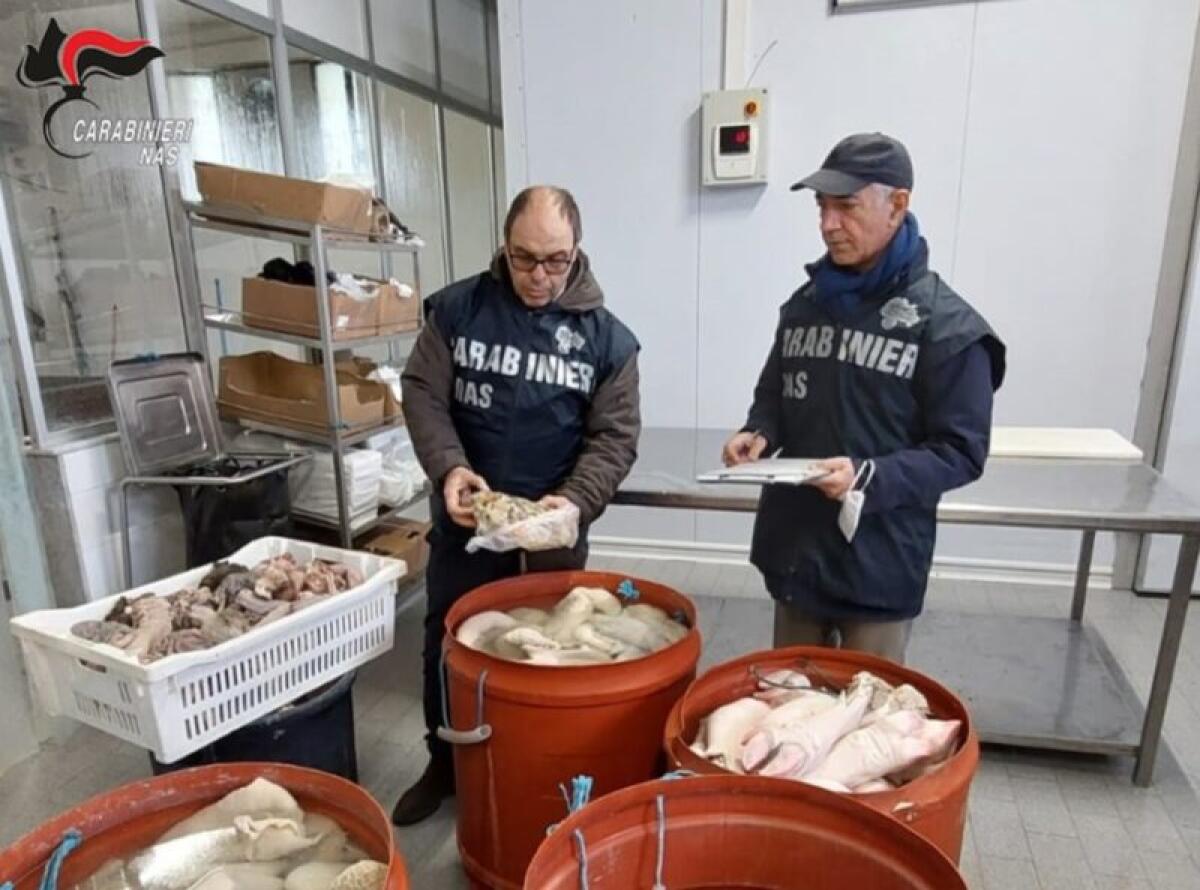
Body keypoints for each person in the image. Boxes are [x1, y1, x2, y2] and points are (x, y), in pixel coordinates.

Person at [394, 185, 641, 825]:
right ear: (504, 247)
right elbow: (423, 393)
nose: (538, 275)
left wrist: (575, 502)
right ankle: (444, 762)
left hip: (551, 533)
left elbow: (615, 437)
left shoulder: (607, 342)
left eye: (555, 261)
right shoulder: (458, 312)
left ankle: (533, 767)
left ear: (576, 252)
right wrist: (449, 467)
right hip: (467, 522)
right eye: (524, 258)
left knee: (549, 650)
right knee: (449, 644)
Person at [722, 132, 1006, 664]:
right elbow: (775, 395)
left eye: (846, 206)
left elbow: (962, 451)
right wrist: (758, 431)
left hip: (880, 561)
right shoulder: (805, 305)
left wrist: (868, 476)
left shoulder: (948, 327)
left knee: (866, 703)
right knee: (790, 696)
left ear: (897, 205)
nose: (828, 224)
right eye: (821, 207)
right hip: (797, 553)